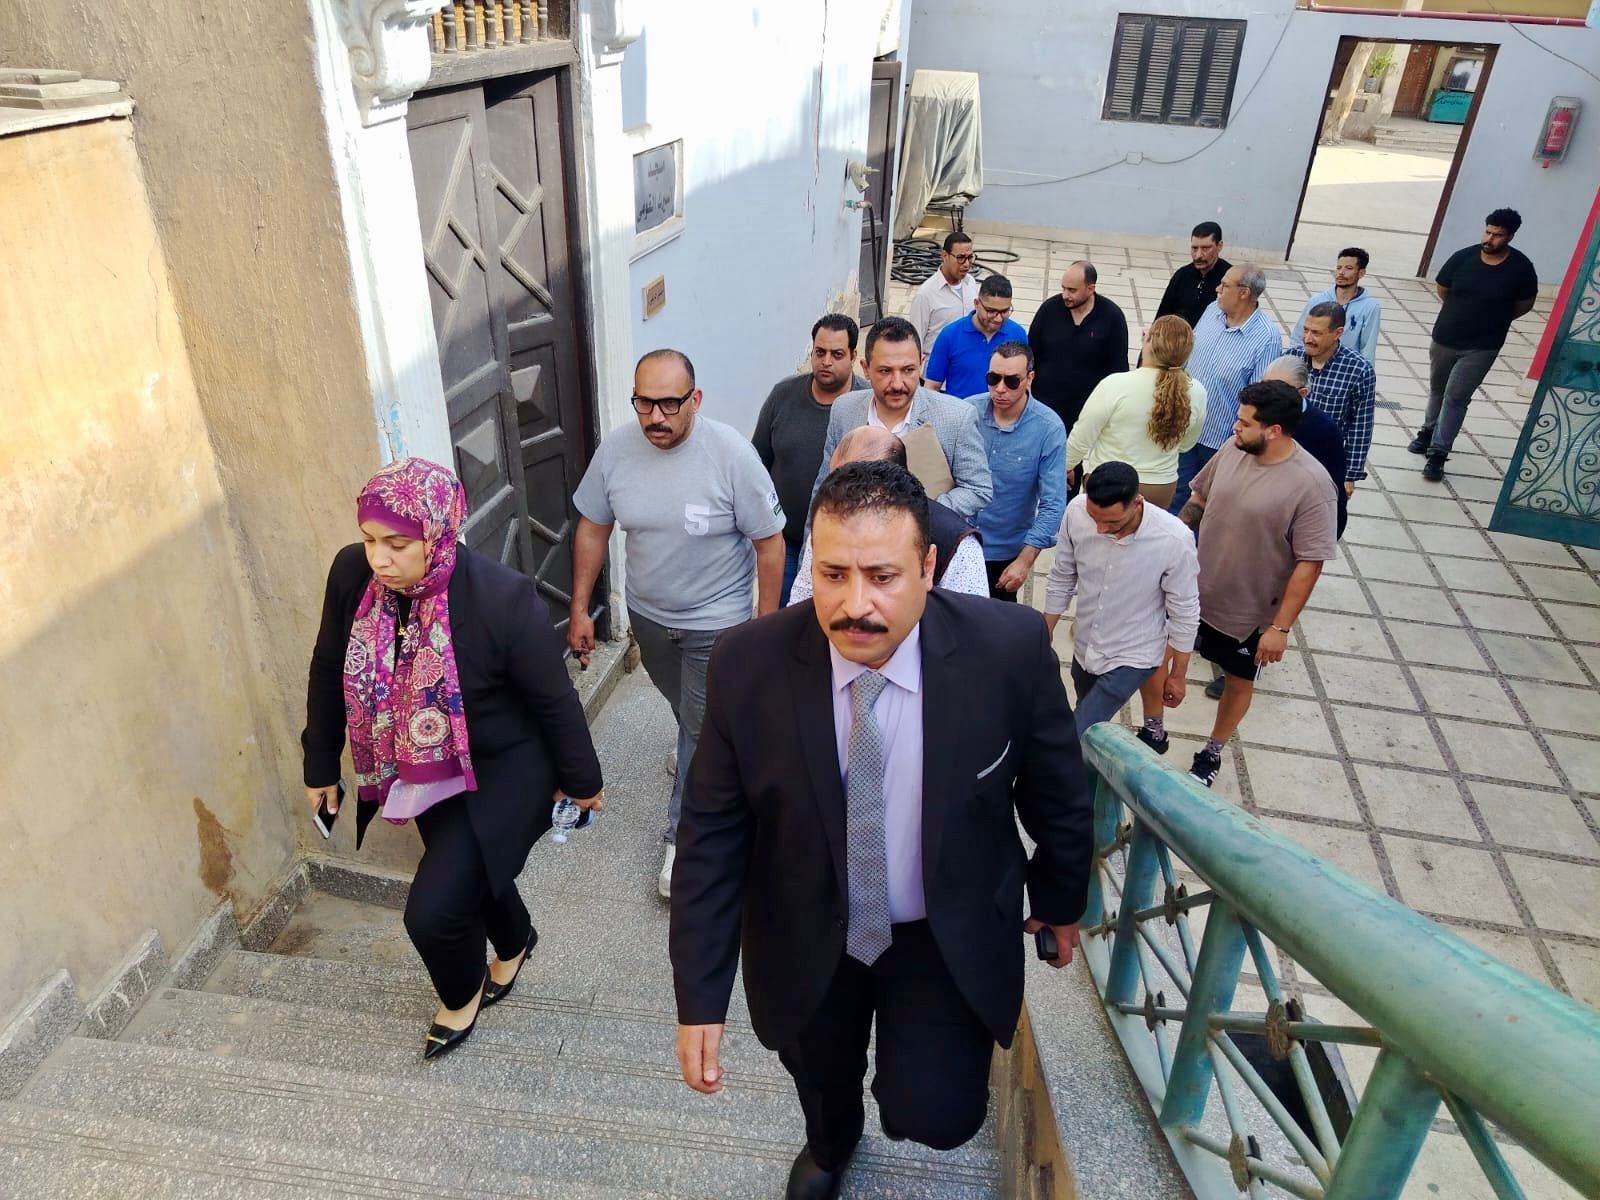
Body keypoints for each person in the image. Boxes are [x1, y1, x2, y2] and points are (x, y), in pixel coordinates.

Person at [670, 460, 1093, 1200]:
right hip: (806, 928)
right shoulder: (747, 664)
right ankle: (831, 1144)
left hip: (941, 932)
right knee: (819, 1071)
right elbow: (711, 834)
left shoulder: (1009, 651)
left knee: (938, 1115)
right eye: (832, 575)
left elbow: (1055, 792)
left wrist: (1060, 902)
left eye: (882, 577)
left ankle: (902, 1101)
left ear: (928, 568)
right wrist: (700, 996)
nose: (854, 605)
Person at [303, 458, 605, 1059]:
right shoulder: (351, 575)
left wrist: (583, 782)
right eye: (369, 540)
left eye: (397, 544)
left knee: (433, 912)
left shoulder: (501, 598)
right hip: (423, 761)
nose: (378, 559)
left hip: (508, 765)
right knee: (470, 869)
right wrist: (320, 765)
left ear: (437, 532)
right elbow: (329, 666)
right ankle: (515, 941)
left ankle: (461, 993)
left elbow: (554, 702)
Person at [568, 349, 787, 900]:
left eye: (669, 403)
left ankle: (683, 843)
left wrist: (766, 624)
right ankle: (711, 753)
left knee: (699, 729)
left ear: (696, 399)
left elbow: (770, 543)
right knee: (688, 712)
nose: (656, 417)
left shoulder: (732, 456)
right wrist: (579, 607)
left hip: (717, 621)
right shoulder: (616, 451)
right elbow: (593, 527)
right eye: (644, 403)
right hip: (649, 617)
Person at [1177, 382, 1337, 788]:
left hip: (1248, 613)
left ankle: (1212, 751)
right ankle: (1154, 726)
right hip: (1194, 590)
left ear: (1274, 430)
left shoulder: (1313, 485)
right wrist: (1172, 540)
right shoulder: (1234, 448)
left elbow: (1310, 562)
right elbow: (1199, 498)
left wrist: (1280, 628)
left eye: (1245, 422)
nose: (1235, 427)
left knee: (1238, 680)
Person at [1042, 462, 1199, 742]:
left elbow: (1184, 611)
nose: (1101, 529)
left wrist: (1178, 674)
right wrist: (1045, 632)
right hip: (1086, 646)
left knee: (1074, 735)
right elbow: (1062, 575)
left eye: (1112, 523)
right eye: (1095, 518)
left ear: (1137, 503)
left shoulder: (1174, 539)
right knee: (1088, 721)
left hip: (1134, 653)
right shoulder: (1076, 512)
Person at [815, 317, 993, 520]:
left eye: (908, 370)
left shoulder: (956, 417)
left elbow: (978, 489)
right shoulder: (844, 410)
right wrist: (812, 539)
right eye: (885, 371)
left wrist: (918, 514)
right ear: (866, 368)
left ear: (921, 364)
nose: (897, 384)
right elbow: (824, 486)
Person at [790, 427, 988, 604]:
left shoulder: (957, 543)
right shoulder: (828, 524)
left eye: (883, 577)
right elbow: (803, 597)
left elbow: (970, 620)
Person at [1411, 208, 1539, 482]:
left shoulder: (1521, 268)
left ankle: (1438, 454)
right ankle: (1427, 431)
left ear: (1510, 236)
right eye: (1488, 232)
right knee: (1438, 389)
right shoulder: (1463, 258)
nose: (1489, 239)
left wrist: (1495, 318)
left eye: (1497, 235)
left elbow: (1525, 304)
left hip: (1482, 346)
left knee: (1456, 397)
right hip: (1445, 338)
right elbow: (1443, 288)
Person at [755, 314, 869, 604]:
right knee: (783, 616)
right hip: (785, 541)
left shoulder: (868, 404)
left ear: (853, 356)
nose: (826, 361)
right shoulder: (783, 395)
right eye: (820, 352)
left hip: (845, 545)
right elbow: (757, 463)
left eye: (837, 354)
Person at [1170, 264, 1284, 515]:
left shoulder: (1267, 338)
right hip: (1186, 427)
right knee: (1176, 494)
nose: (1217, 289)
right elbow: (1188, 358)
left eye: (1224, 285)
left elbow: (1259, 398)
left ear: (1244, 293)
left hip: (1220, 441)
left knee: (1210, 504)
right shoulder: (1212, 311)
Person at [960, 341, 1067, 602]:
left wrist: (1025, 560)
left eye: (1011, 381)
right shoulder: (967, 411)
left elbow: (1053, 503)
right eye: (993, 378)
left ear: (1029, 378)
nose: (1000, 388)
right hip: (958, 541)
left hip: (1004, 554)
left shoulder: (1048, 429)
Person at [1066, 314, 1207, 511]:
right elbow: (1186, 445)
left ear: (1149, 344)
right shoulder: (1197, 391)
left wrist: (1066, 467)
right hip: (1160, 487)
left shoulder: (1116, 384)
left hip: (1109, 483)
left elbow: (1081, 437)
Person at [1027, 260, 1130, 431]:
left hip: (1087, 411)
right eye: (1063, 288)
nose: (1065, 295)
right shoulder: (1049, 310)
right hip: (1046, 407)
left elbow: (1119, 368)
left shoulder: (1112, 317)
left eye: (1072, 290)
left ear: (1090, 289)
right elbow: (1030, 353)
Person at [1291, 301, 1376, 497]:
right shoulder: (1292, 359)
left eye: (1316, 333)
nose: (1307, 338)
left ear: (1338, 333)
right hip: (1289, 458)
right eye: (1306, 330)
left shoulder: (1359, 370)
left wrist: (1350, 475)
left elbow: (1361, 425)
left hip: (1326, 462)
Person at [1264, 355, 1350, 540]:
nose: (1267, 398)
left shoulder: (1324, 431)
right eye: (1265, 387)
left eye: (1278, 392)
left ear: (1302, 393)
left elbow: (1333, 494)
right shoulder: (1256, 415)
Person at [924, 274, 1029, 401]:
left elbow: (1025, 383)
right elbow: (932, 387)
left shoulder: (1018, 335)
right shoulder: (950, 335)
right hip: (960, 410)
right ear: (977, 303)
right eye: (991, 311)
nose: (998, 318)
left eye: (1004, 312)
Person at [1292, 248, 1381, 365]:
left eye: (1348, 268)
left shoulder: (1369, 307)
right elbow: (1298, 336)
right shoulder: (1317, 300)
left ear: (1361, 273)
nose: (1341, 273)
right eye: (1339, 268)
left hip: (1345, 368)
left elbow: (1368, 348)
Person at [907, 231, 980, 354]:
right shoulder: (925, 294)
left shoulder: (971, 283)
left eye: (970, 258)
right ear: (945, 256)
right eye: (961, 258)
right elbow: (915, 341)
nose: (967, 264)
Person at [1154, 222, 1232, 327]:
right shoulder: (1181, 276)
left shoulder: (1231, 279)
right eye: (1194, 248)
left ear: (1219, 246)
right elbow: (1162, 318)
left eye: (1205, 248)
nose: (1198, 255)